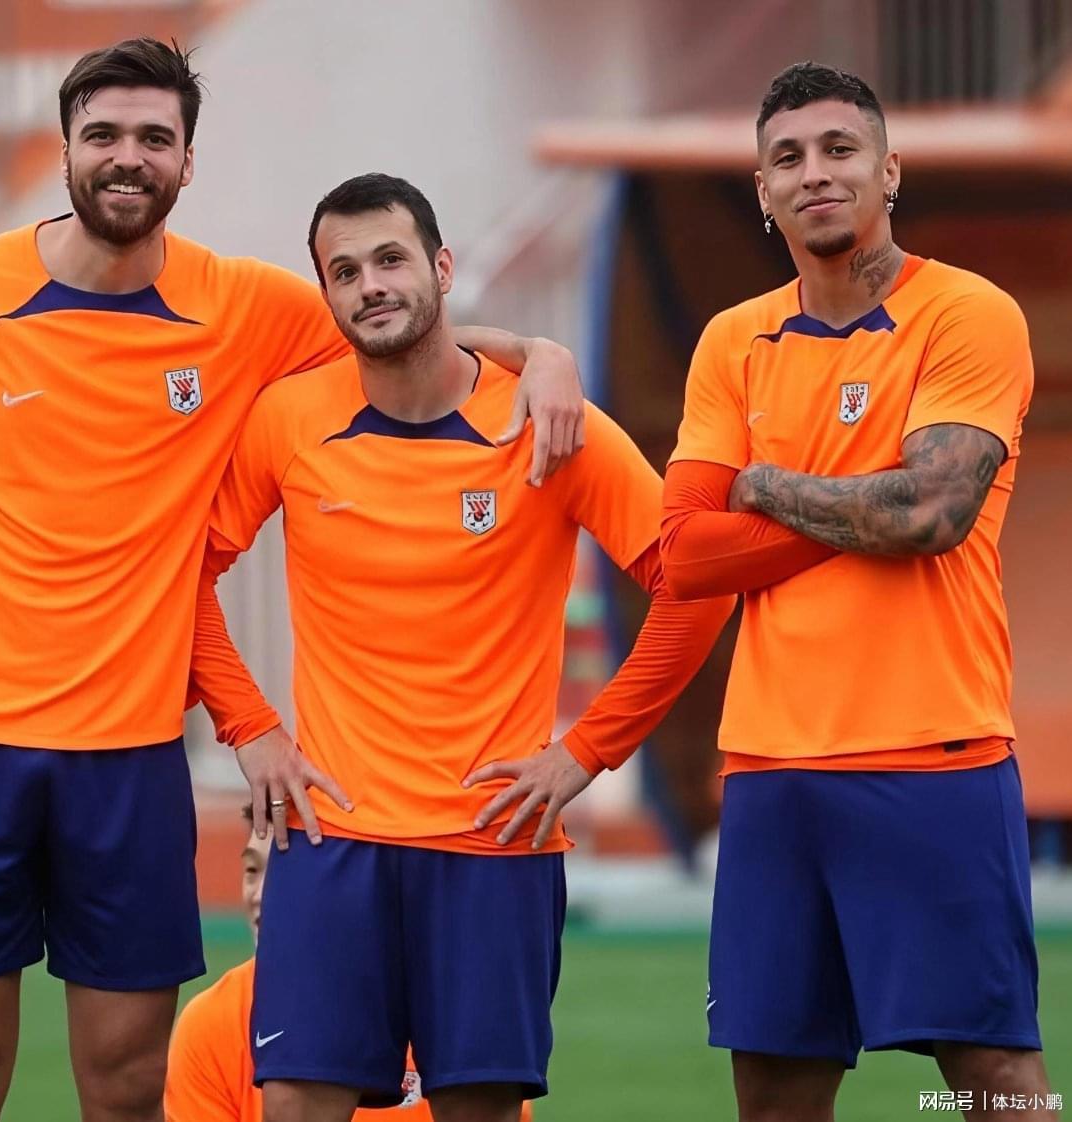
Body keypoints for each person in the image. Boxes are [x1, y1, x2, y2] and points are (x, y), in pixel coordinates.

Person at [0, 39, 584, 1122]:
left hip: (131, 753)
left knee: (128, 1088)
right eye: (103, 134)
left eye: (154, 138)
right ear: (66, 150)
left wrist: (539, 353)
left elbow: (402, 333)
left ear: (186, 161)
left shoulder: (245, 308)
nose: (126, 157)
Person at [188, 172, 736, 1122]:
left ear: (442, 267)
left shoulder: (547, 420)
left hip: (495, 845)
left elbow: (699, 584)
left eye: (390, 259)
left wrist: (586, 750)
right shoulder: (290, 418)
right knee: (294, 1105)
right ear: (327, 295)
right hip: (332, 838)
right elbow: (183, 572)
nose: (371, 285)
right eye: (345, 272)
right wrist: (250, 727)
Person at [658, 62, 1052, 1122]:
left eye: (839, 149)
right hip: (771, 768)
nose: (814, 173)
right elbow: (685, 555)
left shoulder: (966, 313)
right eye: (787, 158)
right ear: (761, 190)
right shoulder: (732, 340)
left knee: (993, 1081)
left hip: (931, 754)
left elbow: (930, 515)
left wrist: (759, 485)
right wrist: (863, 500)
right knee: (775, 1091)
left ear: (889, 170)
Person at [164, 809, 535, 1121]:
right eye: (252, 870)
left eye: (283, 871)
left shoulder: (454, 1011)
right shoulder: (213, 1023)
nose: (262, 895)